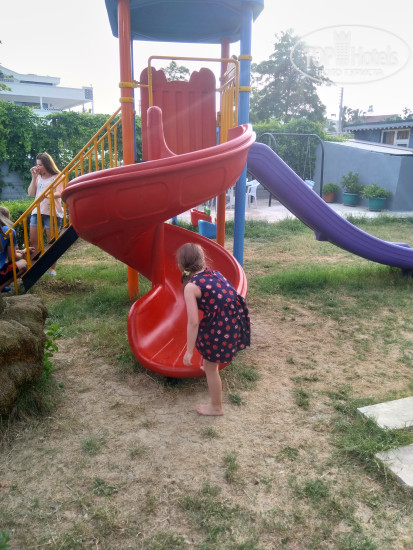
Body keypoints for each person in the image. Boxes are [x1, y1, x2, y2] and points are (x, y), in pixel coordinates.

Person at [177, 243, 251, 416]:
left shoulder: (191, 287)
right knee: (208, 353)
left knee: (211, 368)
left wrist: (189, 351)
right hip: (233, 321)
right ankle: (209, 364)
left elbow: (193, 322)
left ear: (181, 265)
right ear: (203, 260)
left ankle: (216, 407)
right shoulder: (214, 274)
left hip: (222, 326)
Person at [28, 152, 63, 276]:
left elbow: (60, 193)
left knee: (51, 242)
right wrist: (33, 177)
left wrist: (47, 195)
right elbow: (31, 193)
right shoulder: (38, 177)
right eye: (37, 165)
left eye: (40, 165)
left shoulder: (58, 176)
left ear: (47, 164)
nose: (38, 167)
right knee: (33, 242)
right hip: (36, 211)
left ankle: (52, 269)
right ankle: (33, 269)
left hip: (52, 212)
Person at [0, 206, 33, 292]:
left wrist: (18, 251)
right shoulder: (9, 231)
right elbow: (13, 257)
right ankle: (1, 287)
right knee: (23, 263)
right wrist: (24, 251)